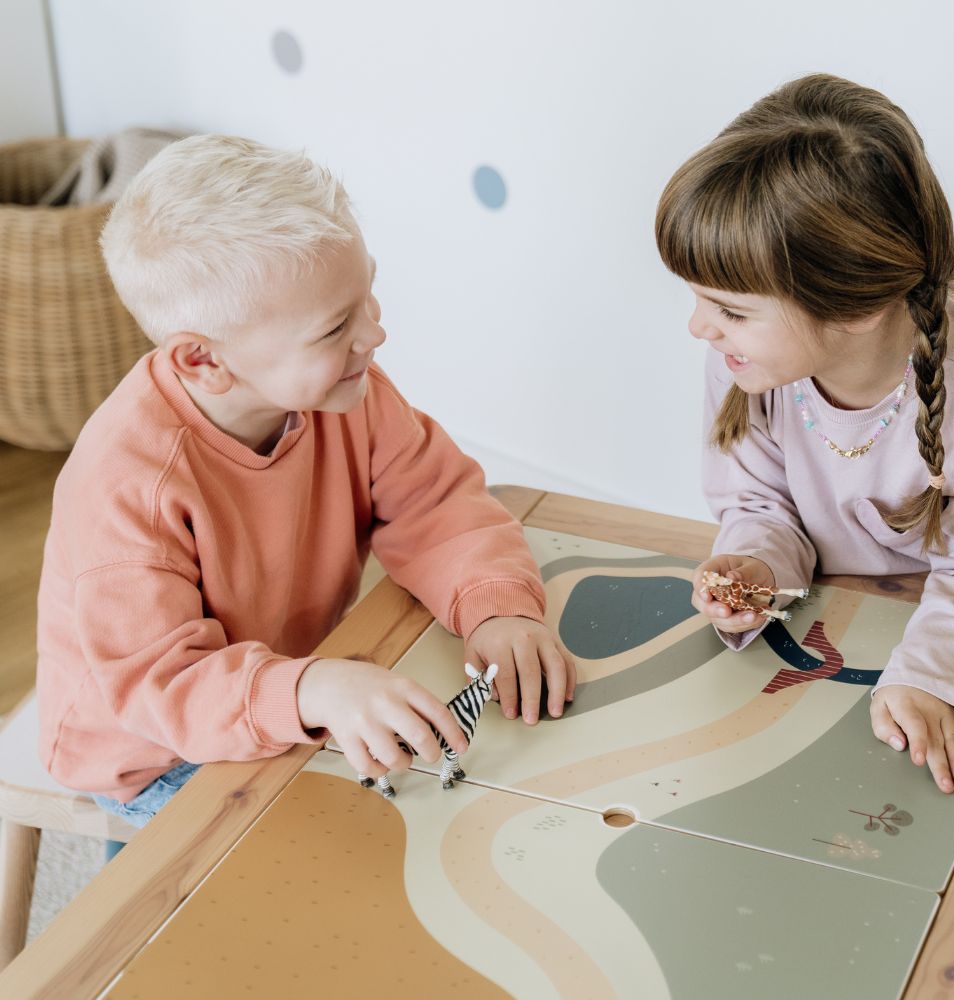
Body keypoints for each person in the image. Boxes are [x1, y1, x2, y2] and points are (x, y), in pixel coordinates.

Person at [37, 134, 575, 826]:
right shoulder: (127, 487)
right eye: (334, 327)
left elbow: (436, 502)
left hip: (288, 682)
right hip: (154, 752)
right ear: (203, 360)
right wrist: (314, 690)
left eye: (368, 296)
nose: (374, 334)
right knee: (329, 864)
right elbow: (162, 688)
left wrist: (497, 603)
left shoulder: (348, 392)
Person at [656, 74, 954, 793]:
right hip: (823, 611)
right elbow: (760, 506)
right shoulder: (744, 361)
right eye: (697, 299)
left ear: (853, 309)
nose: (698, 326)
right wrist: (754, 567)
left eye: (728, 308)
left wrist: (931, 677)